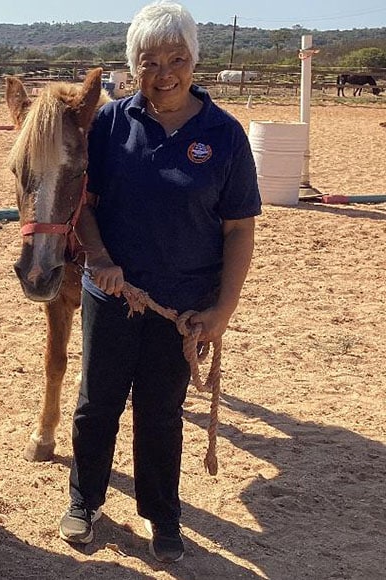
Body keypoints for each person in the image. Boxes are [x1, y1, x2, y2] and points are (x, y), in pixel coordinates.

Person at [57, 0, 261, 563]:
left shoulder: (224, 135)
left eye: (177, 58)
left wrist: (222, 310)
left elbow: (239, 228)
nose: (163, 73)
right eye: (148, 61)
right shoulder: (109, 124)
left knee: (162, 410)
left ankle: (161, 514)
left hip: (182, 306)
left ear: (195, 60)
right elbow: (83, 202)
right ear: (132, 64)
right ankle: (85, 500)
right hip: (113, 293)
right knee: (96, 404)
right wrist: (98, 257)